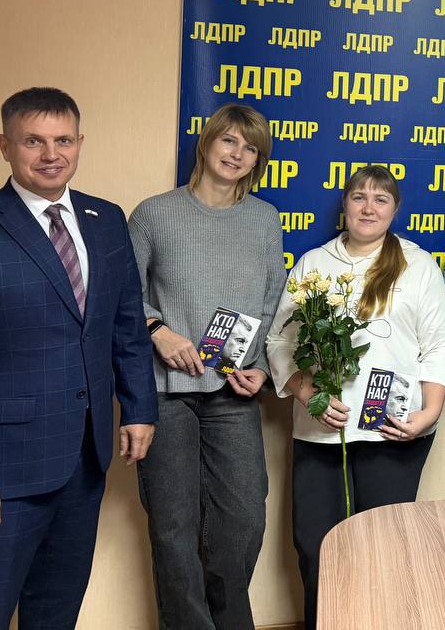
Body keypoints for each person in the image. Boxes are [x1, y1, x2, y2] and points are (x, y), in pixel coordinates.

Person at [0, 87, 158, 629]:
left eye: (63, 140)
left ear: (79, 143)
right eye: (33, 141)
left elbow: (126, 324)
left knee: (56, 613)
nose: (51, 154)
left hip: (84, 461)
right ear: (5, 146)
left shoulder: (106, 220)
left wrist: (139, 408)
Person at [267, 165, 445, 630]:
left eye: (380, 199)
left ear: (395, 209)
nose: (368, 208)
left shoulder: (417, 265)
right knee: (316, 547)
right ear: (345, 205)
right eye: (359, 197)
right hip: (320, 434)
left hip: (392, 431)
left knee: (385, 550)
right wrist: (307, 392)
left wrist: (429, 413)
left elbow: (439, 345)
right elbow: (279, 342)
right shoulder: (313, 264)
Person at [129, 103, 286, 630]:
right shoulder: (153, 214)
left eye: (250, 148)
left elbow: (272, 304)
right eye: (229, 141)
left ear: (258, 161)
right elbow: (122, 296)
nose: (237, 154)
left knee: (243, 518)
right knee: (173, 527)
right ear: (206, 142)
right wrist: (157, 329)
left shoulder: (264, 219)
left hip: (231, 392)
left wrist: (261, 368)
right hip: (165, 392)